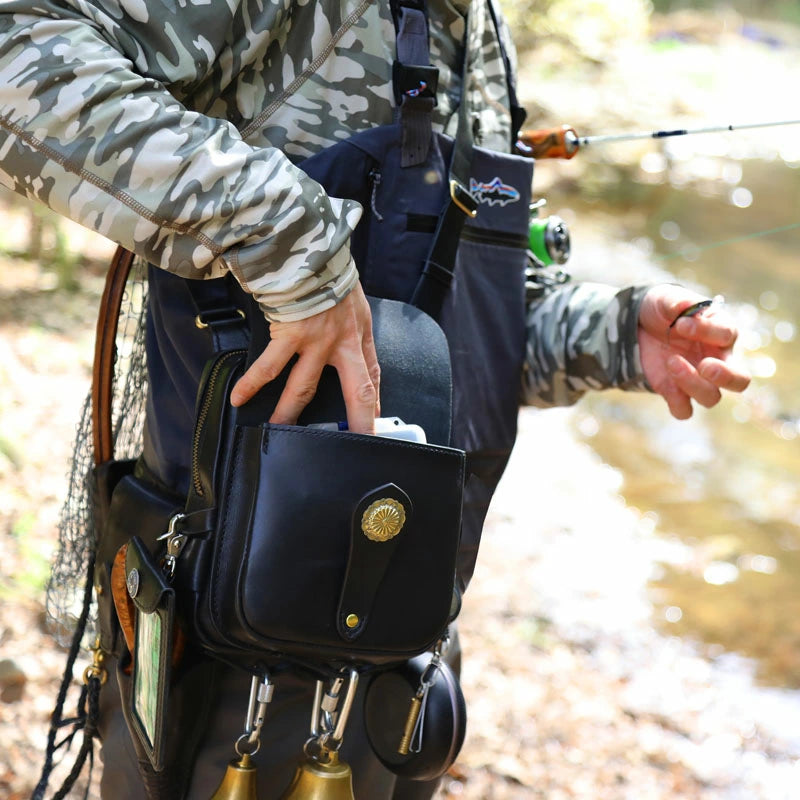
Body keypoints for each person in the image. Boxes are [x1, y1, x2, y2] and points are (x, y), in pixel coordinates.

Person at [0, 0, 750, 797]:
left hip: (407, 632)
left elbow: (439, 341)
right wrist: (294, 246)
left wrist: (612, 335)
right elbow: (18, 54)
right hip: (224, 635)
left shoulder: (480, 29)